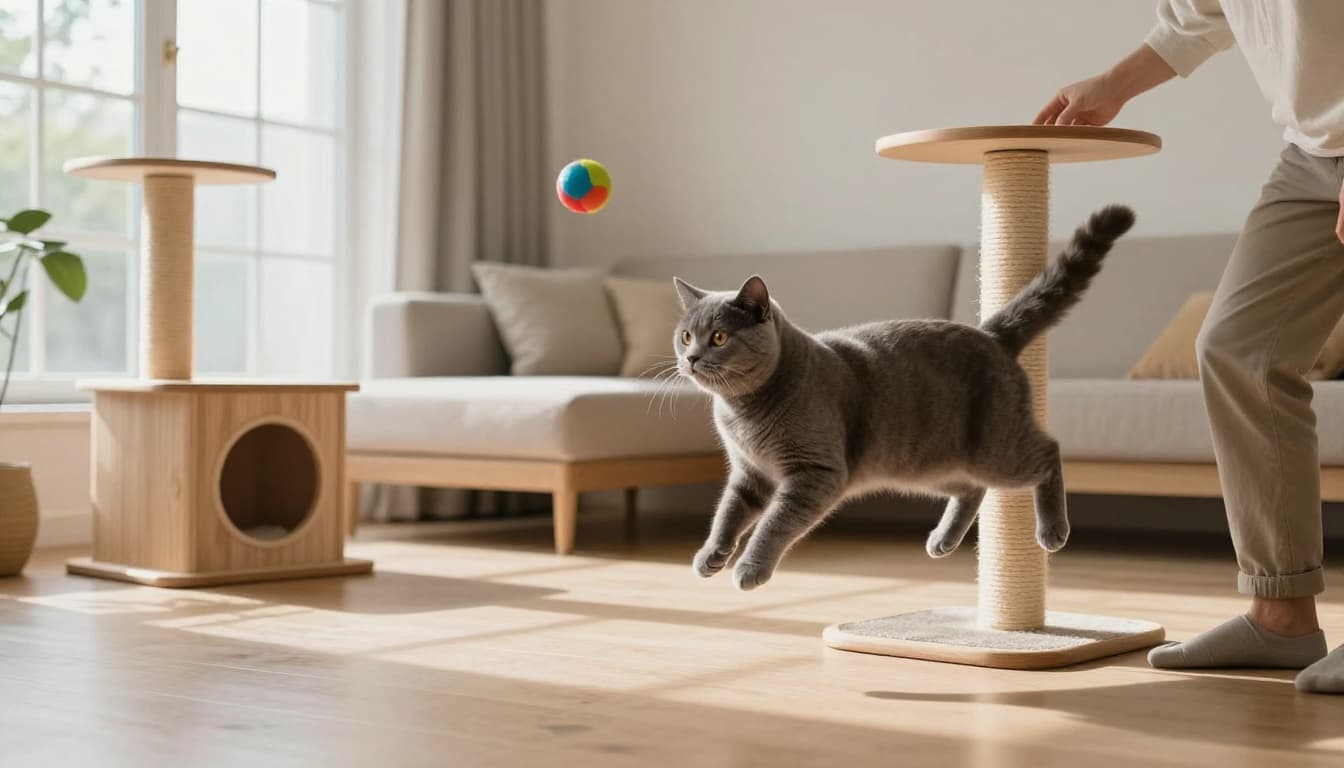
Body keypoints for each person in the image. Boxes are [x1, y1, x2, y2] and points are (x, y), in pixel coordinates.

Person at [1035, 0, 1344, 693]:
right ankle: (1280, 614)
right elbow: (1198, 15)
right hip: (1312, 154)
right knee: (1239, 350)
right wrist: (1112, 84)